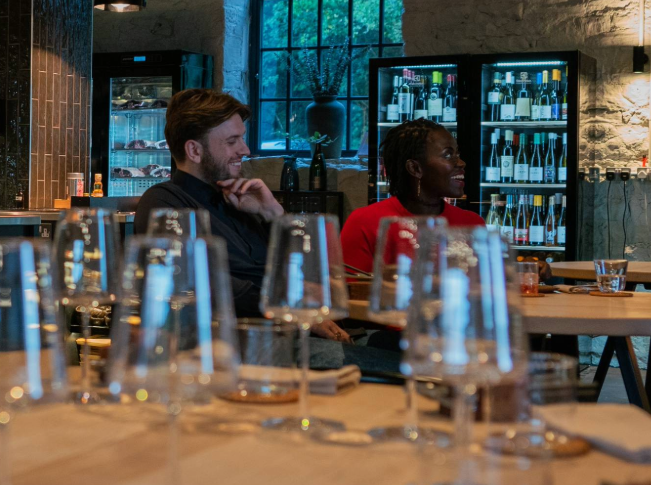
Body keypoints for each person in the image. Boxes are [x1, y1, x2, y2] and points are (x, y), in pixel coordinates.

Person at [134, 88, 348, 338]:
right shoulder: (164, 202)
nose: (245, 150)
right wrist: (286, 307)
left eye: (242, 139)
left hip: (294, 329)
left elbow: (305, 267)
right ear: (194, 151)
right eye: (232, 141)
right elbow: (200, 282)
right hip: (239, 343)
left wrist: (273, 212)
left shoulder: (242, 200)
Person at [340, 118, 482, 275]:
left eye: (457, 154)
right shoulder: (365, 222)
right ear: (415, 168)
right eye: (448, 155)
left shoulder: (472, 223)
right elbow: (351, 292)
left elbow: (486, 289)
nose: (461, 163)